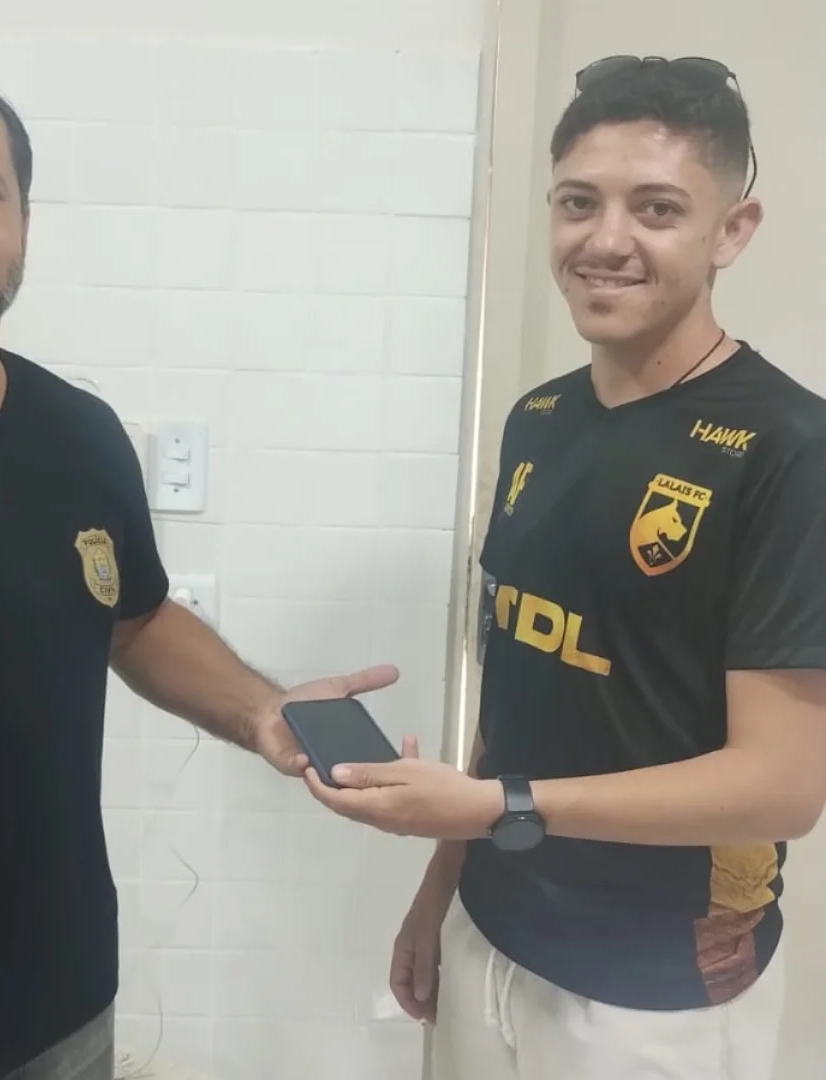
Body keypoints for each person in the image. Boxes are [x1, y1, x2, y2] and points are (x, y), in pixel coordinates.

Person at [0, 34, 398, 1080]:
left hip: (61, 1026)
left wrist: (263, 711)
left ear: (22, 224)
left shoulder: (83, 439)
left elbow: (132, 618)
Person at [303, 55, 826, 1080]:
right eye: (579, 202)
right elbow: (522, 681)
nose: (606, 240)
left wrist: (498, 808)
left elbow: (781, 789)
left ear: (732, 231)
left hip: (654, 996)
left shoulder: (789, 450)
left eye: (657, 208)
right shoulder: (538, 417)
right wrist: (442, 886)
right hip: (491, 935)